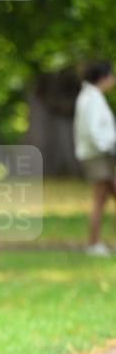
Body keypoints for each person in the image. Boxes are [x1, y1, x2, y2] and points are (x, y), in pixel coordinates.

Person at [73, 60, 116, 256]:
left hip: (98, 155)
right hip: (97, 156)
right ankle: (93, 243)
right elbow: (93, 131)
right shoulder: (91, 99)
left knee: (104, 198)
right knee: (100, 200)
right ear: (103, 78)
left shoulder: (92, 97)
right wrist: (108, 147)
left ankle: (94, 243)